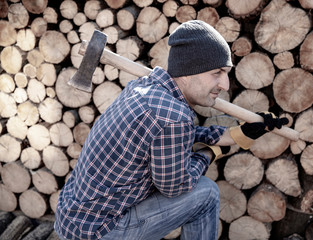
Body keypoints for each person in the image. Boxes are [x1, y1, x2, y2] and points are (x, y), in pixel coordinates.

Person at [54, 20, 288, 240]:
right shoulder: (174, 117)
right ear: (188, 72)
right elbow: (177, 187)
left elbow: (173, 136)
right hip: (98, 232)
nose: (225, 85)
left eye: (225, 74)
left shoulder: (143, 88)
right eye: (216, 73)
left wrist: (239, 134)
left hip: (72, 218)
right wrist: (209, 154)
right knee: (205, 194)